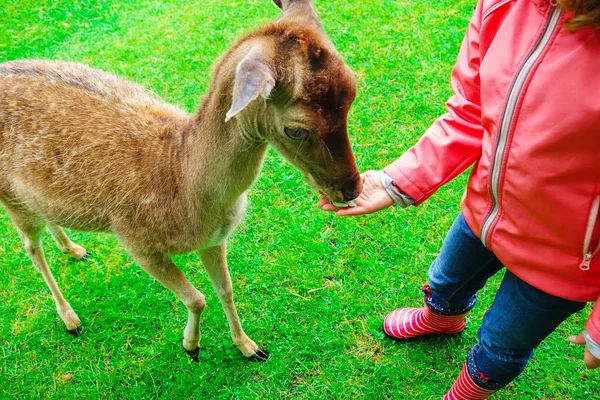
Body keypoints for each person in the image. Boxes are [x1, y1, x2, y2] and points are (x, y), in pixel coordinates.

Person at [319, 0, 600, 398]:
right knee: (445, 282)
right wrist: (397, 181)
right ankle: (442, 320)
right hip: (487, 210)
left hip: (566, 261)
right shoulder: (503, 5)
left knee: (502, 343)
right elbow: (471, 109)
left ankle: (468, 392)